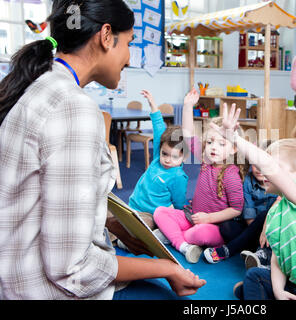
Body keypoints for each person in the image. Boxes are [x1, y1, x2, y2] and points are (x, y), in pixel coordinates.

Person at [0, 0, 205, 300]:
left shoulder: (38, 84)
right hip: (37, 288)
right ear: (106, 36)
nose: (129, 57)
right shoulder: (73, 109)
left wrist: (111, 225)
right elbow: (71, 269)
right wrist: (164, 268)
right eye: (130, 43)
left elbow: (42, 199)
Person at [214, 104, 296, 301]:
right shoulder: (276, 214)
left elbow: (268, 166)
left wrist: (235, 138)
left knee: (244, 289)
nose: (266, 170)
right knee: (254, 277)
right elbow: (278, 258)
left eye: (276, 165)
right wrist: (278, 291)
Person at [153, 88, 246, 264]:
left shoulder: (231, 174)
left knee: (199, 233)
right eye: (210, 142)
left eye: (221, 144)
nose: (213, 147)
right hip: (193, 215)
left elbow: (236, 209)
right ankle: (182, 244)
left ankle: (172, 237)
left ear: (234, 148)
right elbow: (187, 136)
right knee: (160, 212)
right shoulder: (206, 160)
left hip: (213, 226)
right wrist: (188, 107)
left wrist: (208, 219)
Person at [203, 140, 278, 264]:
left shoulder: (278, 183)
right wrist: (253, 232)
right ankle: (251, 247)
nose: (259, 169)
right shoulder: (248, 181)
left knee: (265, 215)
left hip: (271, 230)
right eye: (255, 164)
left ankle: (228, 250)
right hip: (252, 227)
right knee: (227, 226)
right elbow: (248, 214)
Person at [126, 90, 188, 232]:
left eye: (174, 157)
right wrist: (152, 104)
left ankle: (123, 237)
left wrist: (177, 219)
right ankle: (119, 233)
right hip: (132, 206)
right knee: (107, 213)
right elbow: (159, 127)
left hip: (150, 215)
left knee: (141, 229)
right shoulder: (157, 158)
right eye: (164, 154)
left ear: (183, 157)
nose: (167, 160)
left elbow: (179, 202)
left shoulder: (178, 176)